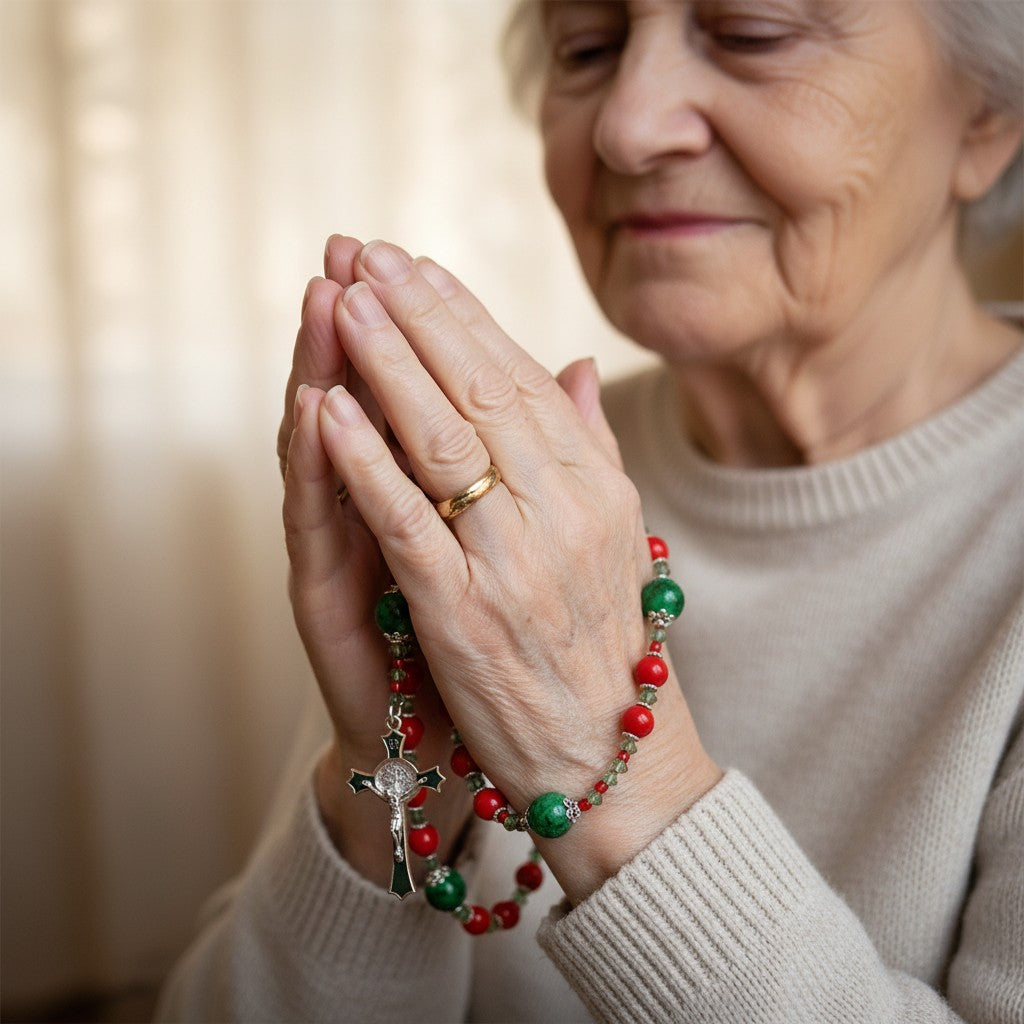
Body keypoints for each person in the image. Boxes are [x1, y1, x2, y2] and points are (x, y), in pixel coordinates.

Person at [156, 1, 1024, 1021]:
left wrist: (602, 763)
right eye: (586, 48)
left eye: (752, 32)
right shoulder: (500, 492)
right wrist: (393, 788)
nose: (626, 126)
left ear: (987, 118)